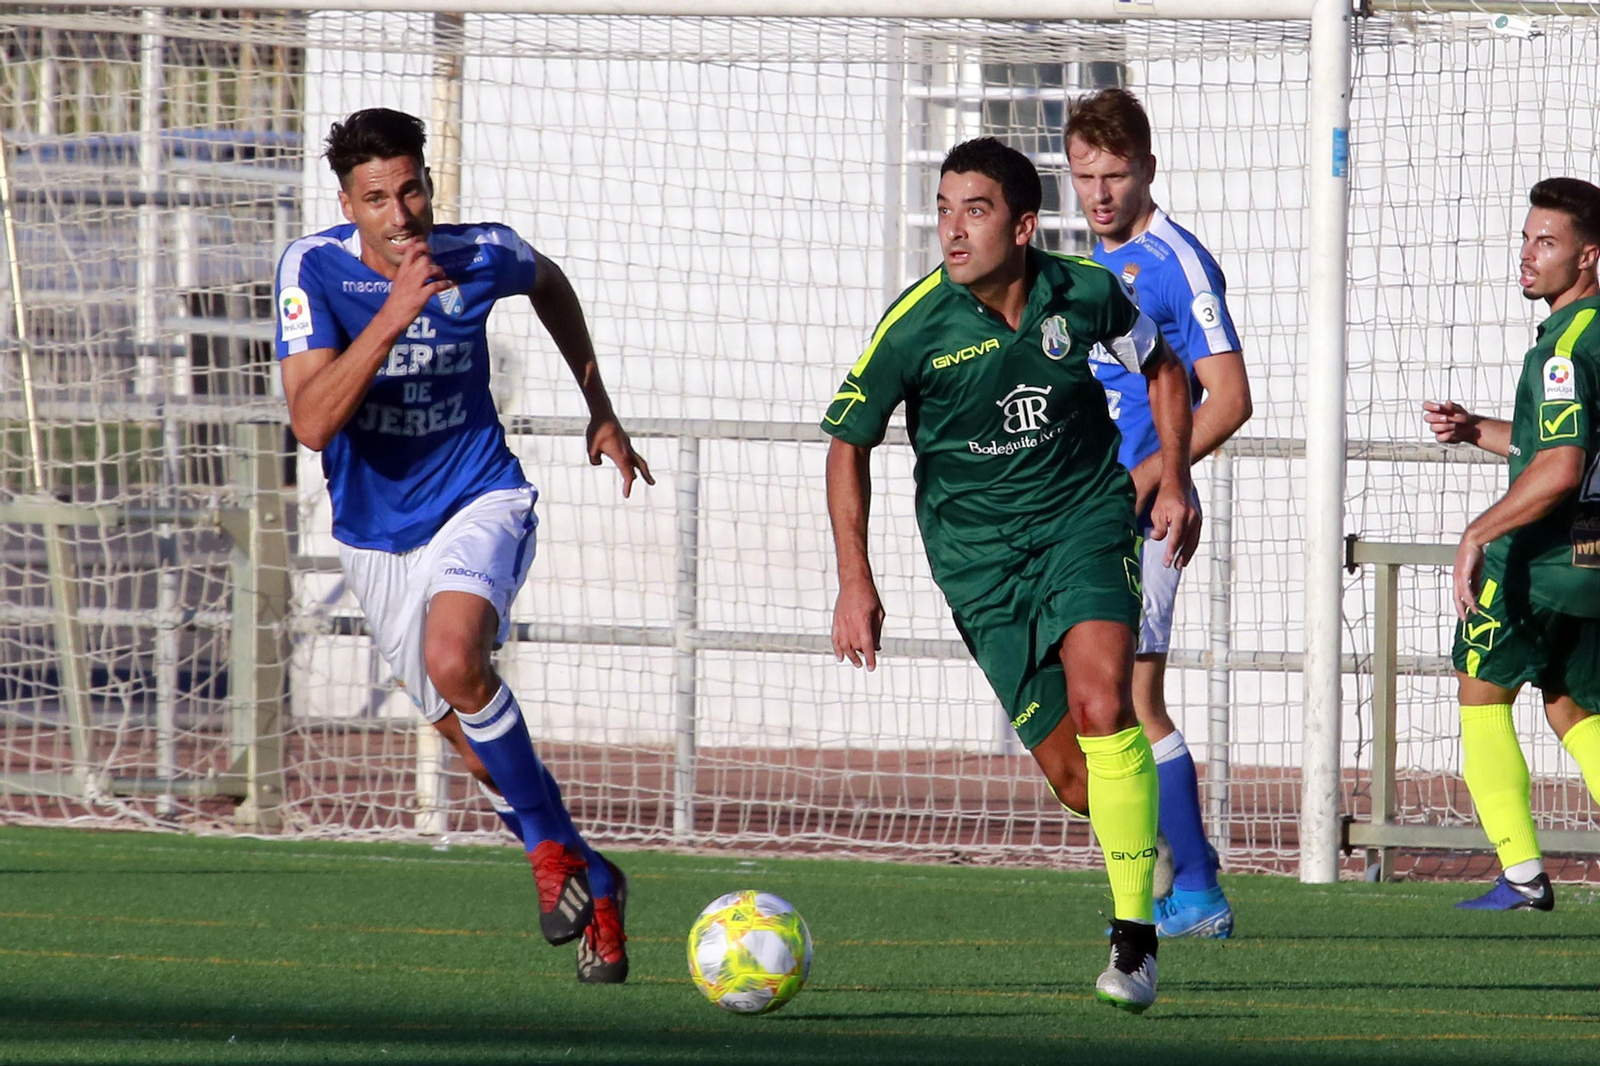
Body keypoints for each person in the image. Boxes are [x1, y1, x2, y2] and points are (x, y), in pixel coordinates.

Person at [823, 137, 1200, 1013]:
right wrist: (855, 578)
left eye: (976, 210)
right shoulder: (914, 325)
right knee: (1077, 780)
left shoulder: (1090, 292)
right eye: (945, 209)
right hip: (979, 566)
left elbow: (1165, 367)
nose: (953, 230)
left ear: (1024, 225)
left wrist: (1173, 474)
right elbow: (848, 442)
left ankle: (1134, 941)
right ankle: (1131, 832)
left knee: (1106, 701)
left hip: (1084, 522)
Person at [273, 108, 651, 980]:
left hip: (481, 495)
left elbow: (549, 282)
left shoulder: (482, 252)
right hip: (377, 539)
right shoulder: (312, 269)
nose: (400, 213)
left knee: (455, 658)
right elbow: (312, 422)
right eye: (377, 198)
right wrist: (395, 314)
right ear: (349, 203)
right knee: (483, 757)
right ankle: (593, 876)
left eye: (411, 189)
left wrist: (600, 408)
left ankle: (549, 861)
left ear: (429, 187)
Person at [1066, 88, 1252, 938]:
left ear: (1147, 168)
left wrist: (1158, 476)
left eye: (1113, 175)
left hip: (1141, 514)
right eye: (1082, 177)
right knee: (1099, 703)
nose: (1098, 194)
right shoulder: (1083, 267)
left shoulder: (1177, 261)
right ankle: (1177, 883)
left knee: (1136, 700)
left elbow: (1231, 397)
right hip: (1080, 511)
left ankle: (1195, 889)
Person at [1423, 177, 1600, 910]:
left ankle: (1522, 874)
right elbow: (1556, 446)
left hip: (1544, 561)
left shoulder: (1562, 351)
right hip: (1593, 562)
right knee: (1571, 706)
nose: (1527, 255)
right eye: (1527, 238)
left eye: (1546, 243)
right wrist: (1478, 431)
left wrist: (1479, 532)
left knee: (1480, 687)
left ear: (1588, 258)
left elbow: (1558, 468)